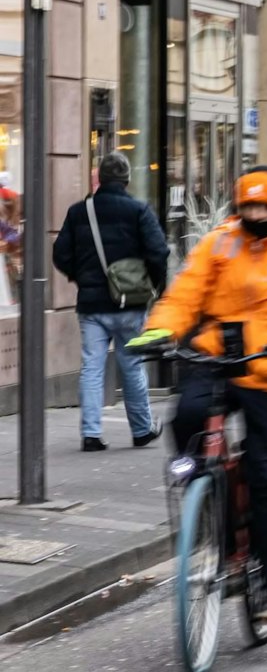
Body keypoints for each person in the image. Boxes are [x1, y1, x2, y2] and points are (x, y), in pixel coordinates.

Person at [127, 167, 267, 624]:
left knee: (266, 477)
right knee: (185, 420)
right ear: (238, 206)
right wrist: (160, 331)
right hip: (220, 362)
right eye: (248, 207)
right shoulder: (221, 243)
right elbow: (185, 294)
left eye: (264, 206)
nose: (256, 214)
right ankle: (206, 506)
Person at [53, 153, 170, 451]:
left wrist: (82, 277)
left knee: (91, 367)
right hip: (130, 303)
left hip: (92, 305)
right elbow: (158, 252)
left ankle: (91, 434)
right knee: (131, 365)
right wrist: (152, 285)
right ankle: (142, 430)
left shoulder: (80, 211)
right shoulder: (138, 210)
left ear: (100, 179)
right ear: (126, 179)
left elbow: (60, 255)